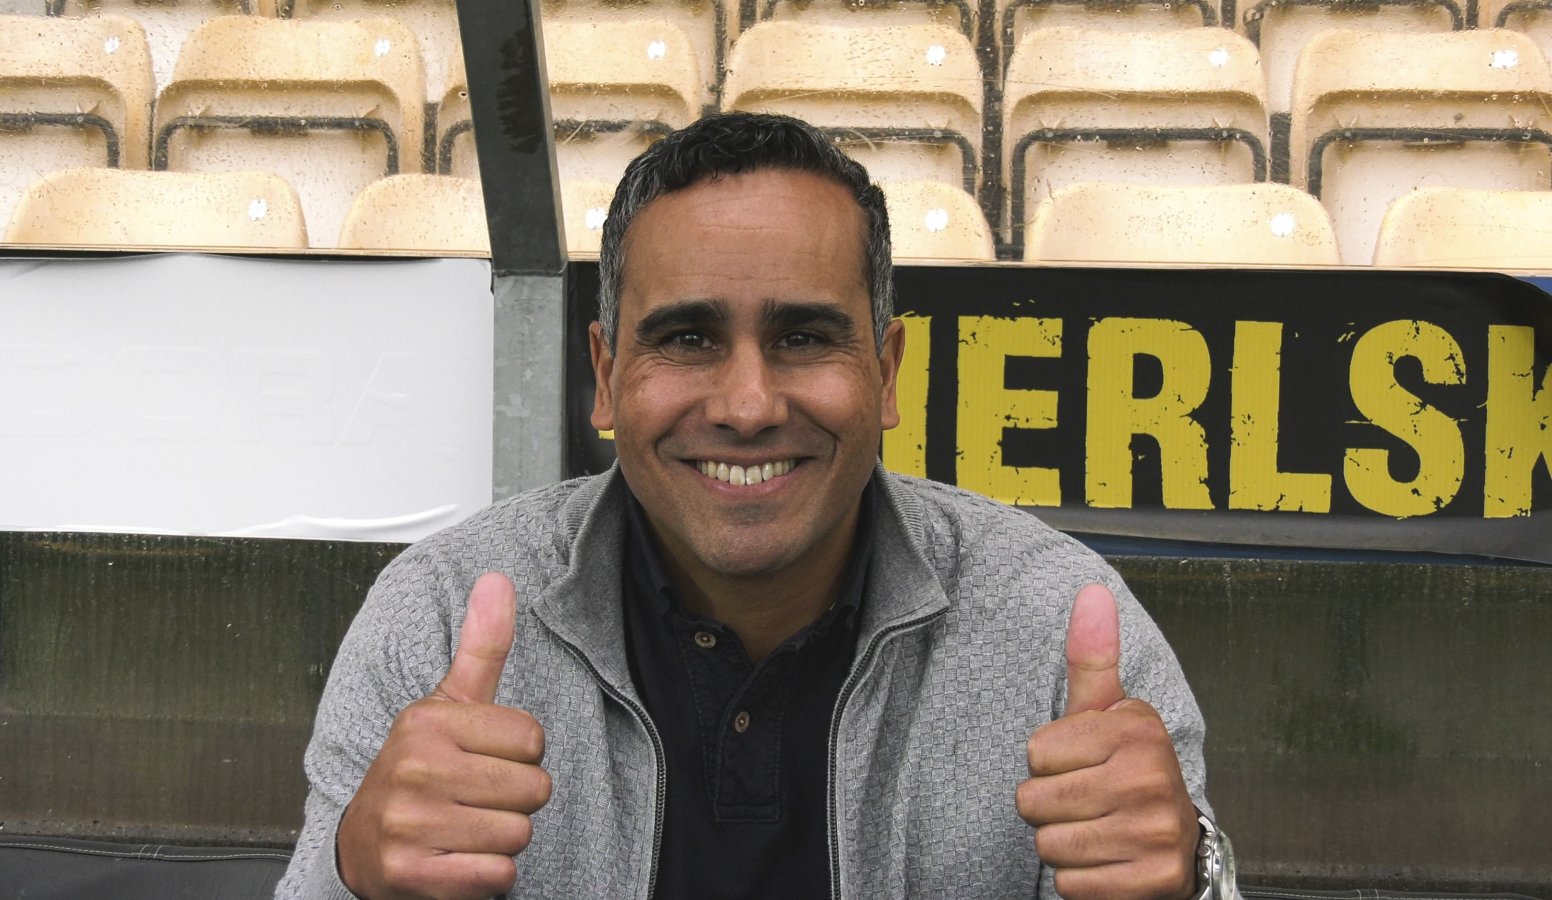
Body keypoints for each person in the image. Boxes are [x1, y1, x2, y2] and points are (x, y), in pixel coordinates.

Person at [277, 112, 1235, 899]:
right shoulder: (436, 618)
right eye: (688, 338)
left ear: (886, 372)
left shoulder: (1063, 632)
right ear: (605, 376)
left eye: (804, 338)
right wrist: (352, 875)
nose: (747, 406)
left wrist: (1189, 883)